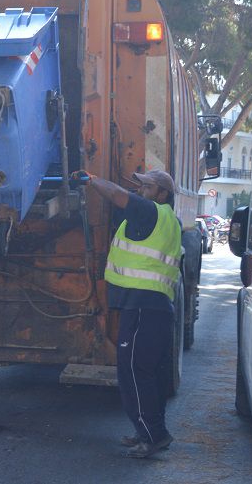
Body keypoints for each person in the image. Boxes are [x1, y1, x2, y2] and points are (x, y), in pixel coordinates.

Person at [72, 168, 182, 459]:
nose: (139, 189)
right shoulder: (167, 220)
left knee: (133, 371)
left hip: (144, 306)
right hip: (152, 306)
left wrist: (92, 180)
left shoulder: (151, 212)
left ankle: (154, 436)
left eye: (146, 186)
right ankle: (147, 431)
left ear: (162, 194)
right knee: (147, 373)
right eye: (140, 184)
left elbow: (118, 196)